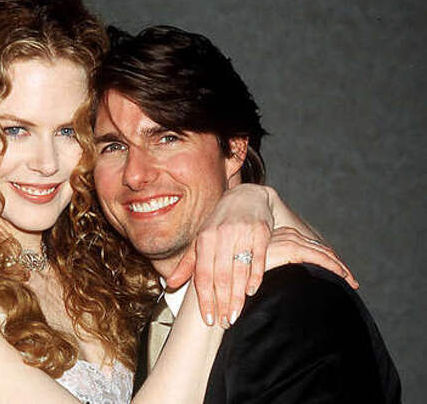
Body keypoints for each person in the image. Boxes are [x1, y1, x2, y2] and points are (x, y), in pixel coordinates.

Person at [0, 0, 355, 402]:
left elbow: (321, 282)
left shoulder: (102, 271)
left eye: (68, 131)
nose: (46, 163)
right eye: (15, 129)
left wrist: (253, 201)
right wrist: (217, 272)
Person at [91, 25, 402, 403]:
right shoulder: (131, 316)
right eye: (113, 147)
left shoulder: (292, 309)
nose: (136, 175)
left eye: (167, 138)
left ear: (235, 149)